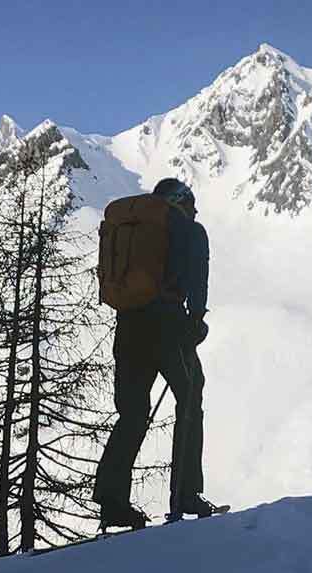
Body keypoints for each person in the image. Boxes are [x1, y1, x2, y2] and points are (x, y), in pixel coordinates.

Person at [93, 177, 218, 527]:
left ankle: (112, 500)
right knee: (190, 397)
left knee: (132, 413)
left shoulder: (134, 227)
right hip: (168, 325)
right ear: (183, 202)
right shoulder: (188, 230)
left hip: (128, 325)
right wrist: (196, 320)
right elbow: (198, 278)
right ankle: (185, 493)